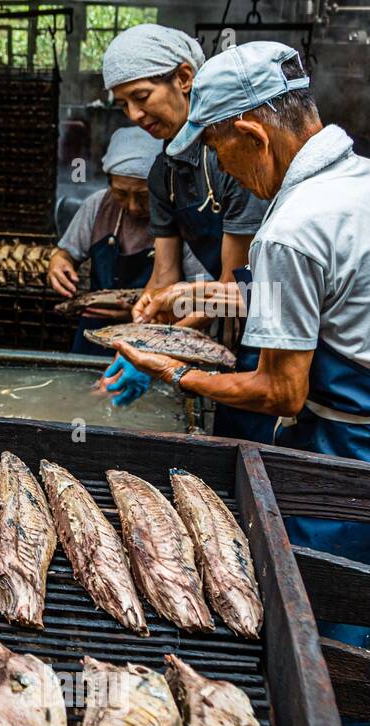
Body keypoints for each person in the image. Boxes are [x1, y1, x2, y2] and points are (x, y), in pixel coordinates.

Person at [115, 42, 370, 726]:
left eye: (220, 152)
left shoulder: (291, 225)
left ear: (251, 134)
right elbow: (347, 298)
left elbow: (281, 391)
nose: (222, 171)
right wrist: (209, 296)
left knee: (332, 642)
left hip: (357, 454)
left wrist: (172, 372)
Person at [97, 25, 271, 436]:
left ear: (184, 77)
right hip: (223, 310)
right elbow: (164, 275)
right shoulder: (163, 173)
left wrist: (158, 346)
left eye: (141, 97)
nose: (135, 116)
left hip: (267, 313)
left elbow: (235, 287)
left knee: (249, 433)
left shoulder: (234, 158)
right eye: (123, 105)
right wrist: (138, 333)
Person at [47, 125, 196, 355]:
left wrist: (139, 311)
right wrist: (58, 261)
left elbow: (198, 295)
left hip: (155, 337)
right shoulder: (97, 205)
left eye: (144, 196)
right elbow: (66, 252)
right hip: (94, 332)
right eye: (121, 194)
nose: (133, 206)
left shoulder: (181, 217)